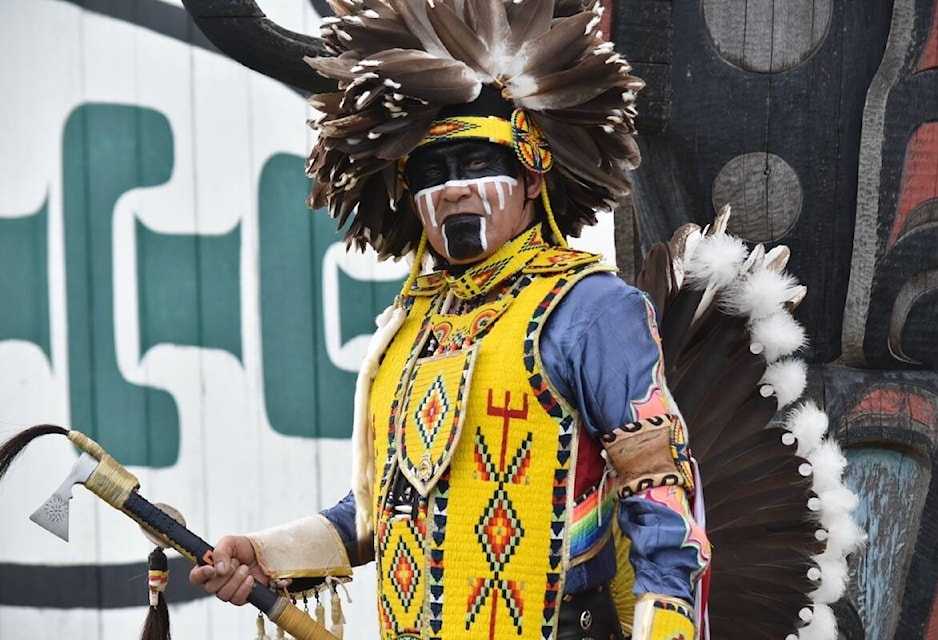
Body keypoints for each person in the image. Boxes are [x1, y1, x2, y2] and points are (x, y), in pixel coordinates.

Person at [190, 2, 710, 638]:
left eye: (477, 164)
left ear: (531, 175)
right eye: (432, 174)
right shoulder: (406, 330)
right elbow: (385, 508)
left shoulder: (591, 308)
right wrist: (266, 554)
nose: (455, 190)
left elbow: (658, 488)